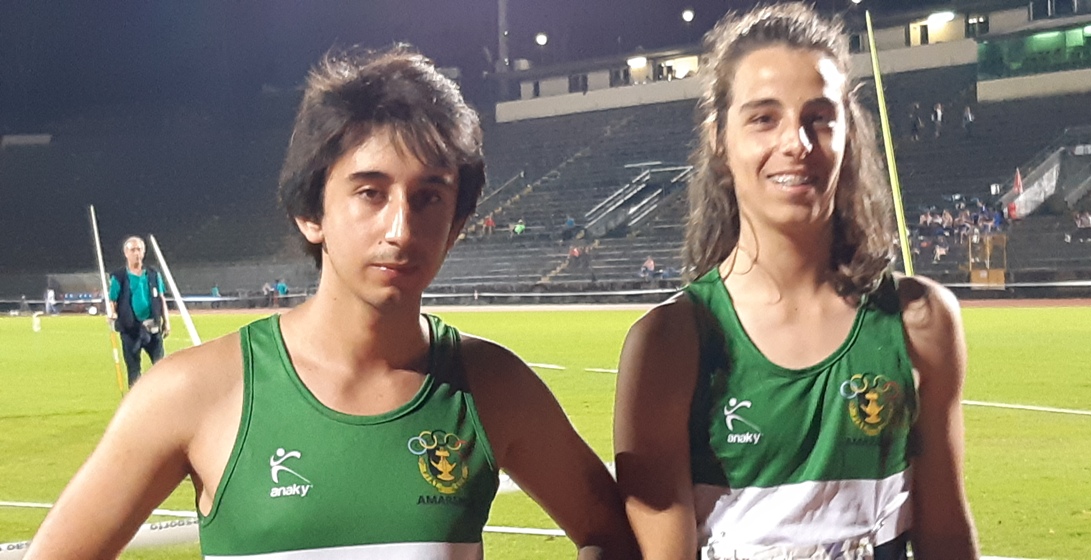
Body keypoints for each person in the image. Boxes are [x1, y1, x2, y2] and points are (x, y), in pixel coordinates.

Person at [25, 47, 636, 560]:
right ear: (310, 212)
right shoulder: (191, 392)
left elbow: (613, 537)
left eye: (429, 197)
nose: (400, 229)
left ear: (456, 222)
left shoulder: (494, 387)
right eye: (370, 192)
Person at [612, 4, 979, 559]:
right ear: (718, 138)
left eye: (820, 118)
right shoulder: (669, 345)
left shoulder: (920, 322)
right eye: (764, 118)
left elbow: (946, 534)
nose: (797, 143)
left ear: (848, 134)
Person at [107, 236, 170, 388]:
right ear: (126, 253)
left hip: (152, 327)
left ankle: (162, 396)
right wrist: (112, 314)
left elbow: (161, 299)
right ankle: (136, 399)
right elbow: (112, 300)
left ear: (144, 252)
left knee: (161, 366)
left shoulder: (153, 274)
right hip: (130, 330)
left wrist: (166, 321)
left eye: (139, 249)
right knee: (134, 370)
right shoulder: (119, 277)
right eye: (132, 250)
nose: (136, 253)